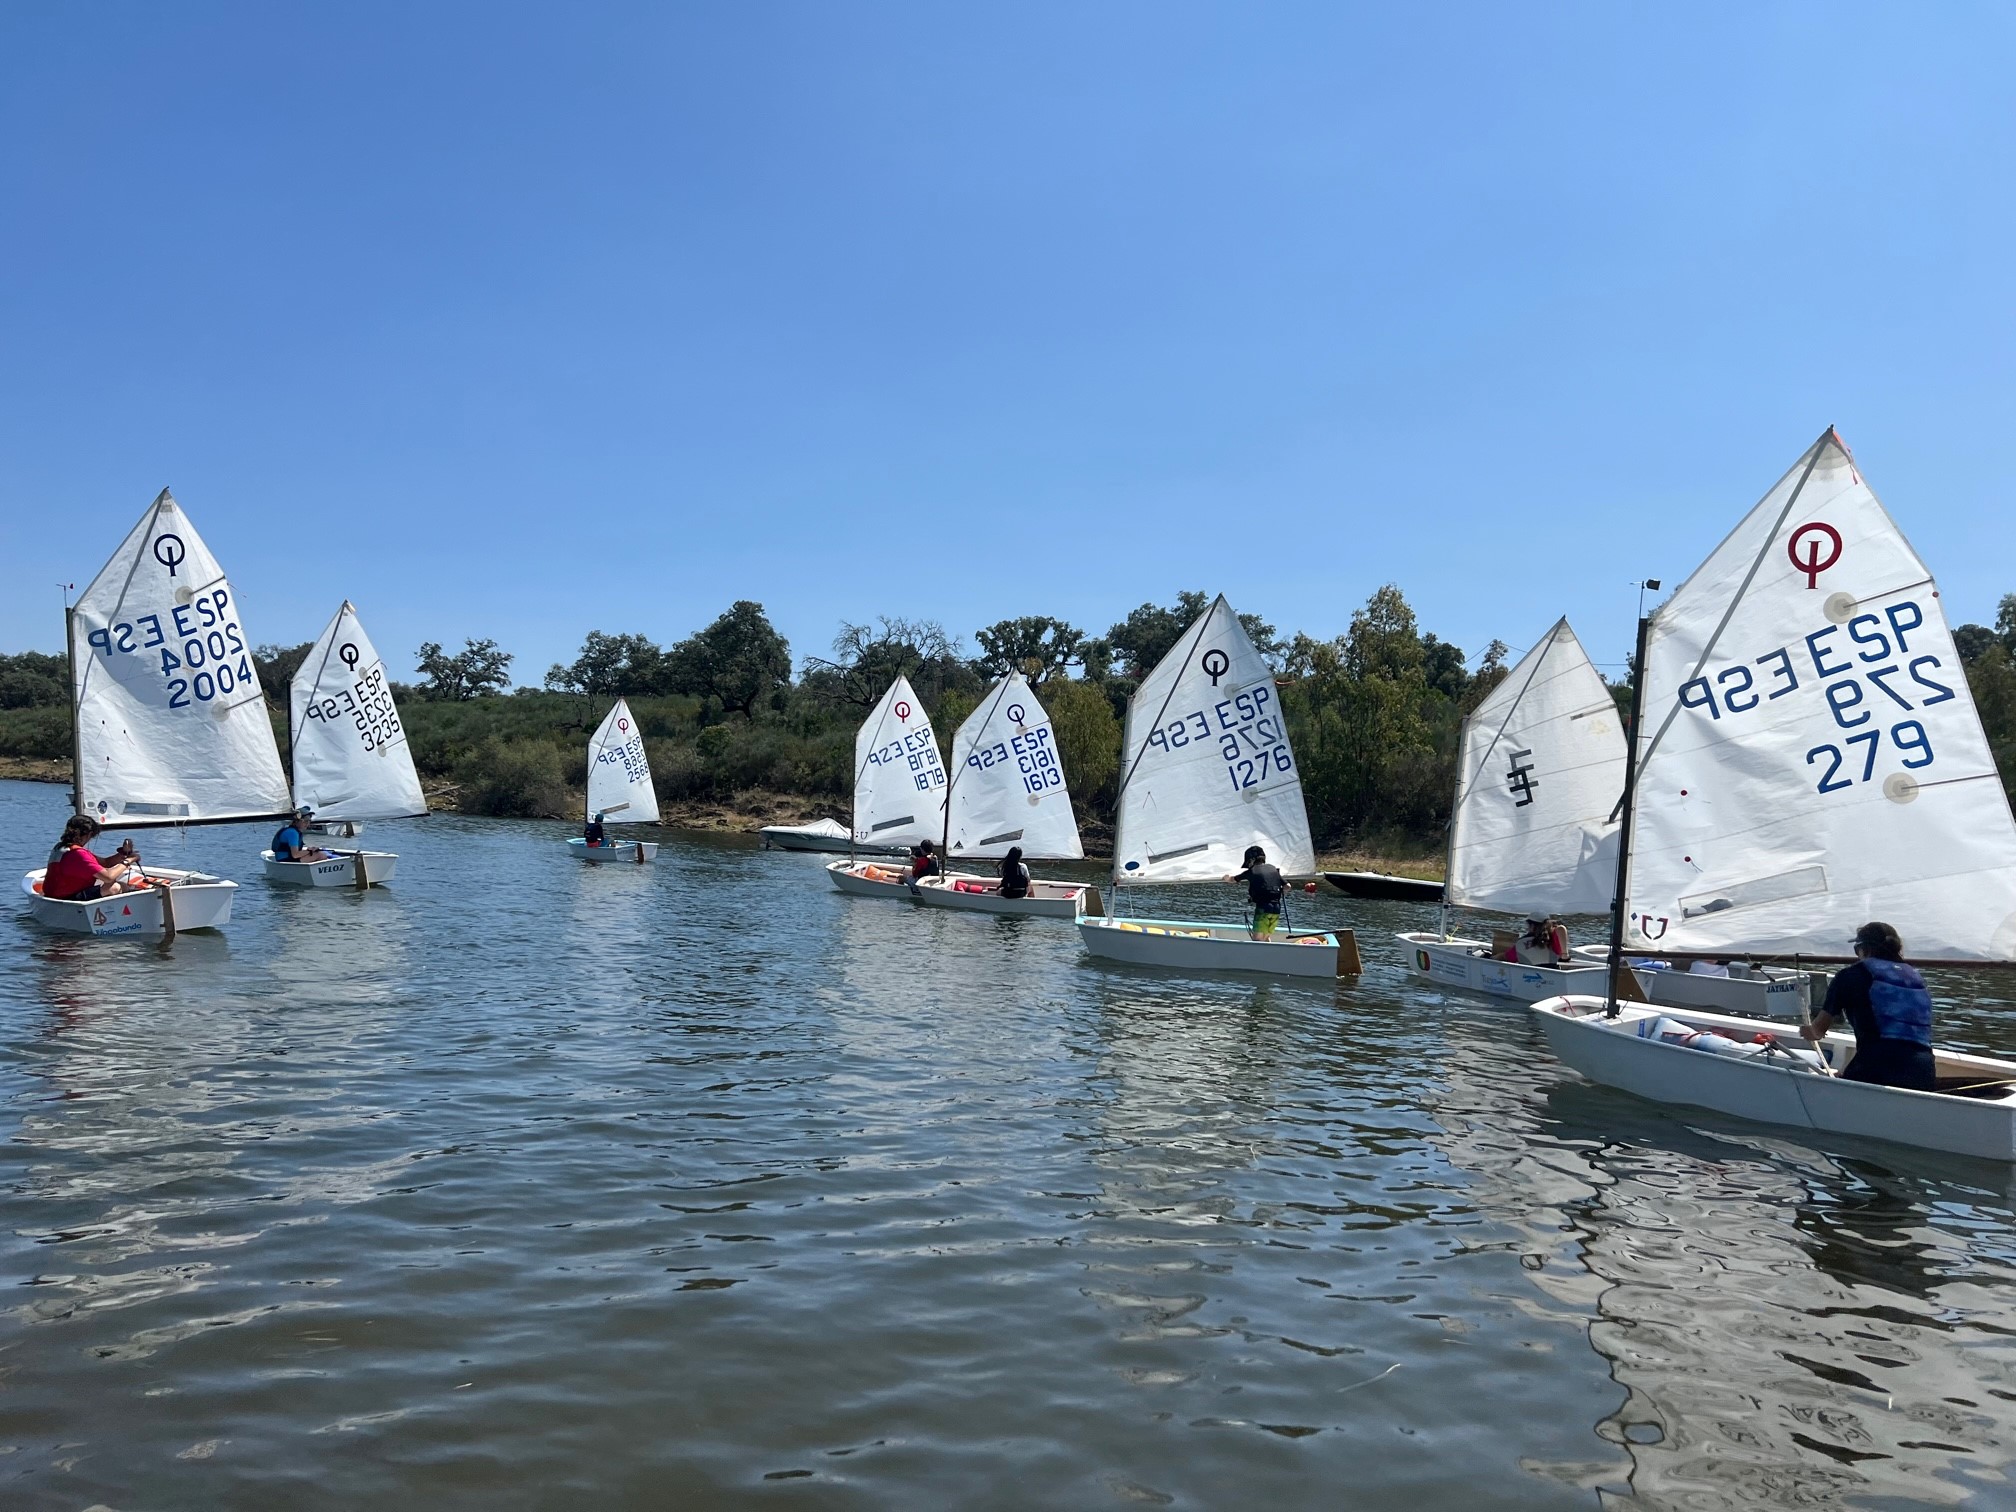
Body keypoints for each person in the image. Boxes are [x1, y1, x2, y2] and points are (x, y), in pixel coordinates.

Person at [1800, 921, 1935, 1091]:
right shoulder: (1916, 978)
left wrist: (1804, 1030)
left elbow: (1817, 1032)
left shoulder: (1849, 976)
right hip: (1923, 1073)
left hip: (1874, 1070)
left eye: (1857, 949)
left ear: (1864, 949)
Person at [43, 815, 145, 900]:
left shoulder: (61, 847)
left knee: (116, 884)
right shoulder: (77, 854)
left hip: (52, 897)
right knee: (115, 887)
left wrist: (124, 853)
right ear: (89, 834)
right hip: (68, 898)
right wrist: (130, 860)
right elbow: (108, 877)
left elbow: (105, 863)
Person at [1226, 845, 1286, 937]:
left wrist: (1225, 877)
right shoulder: (1273, 869)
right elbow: (1288, 886)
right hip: (1276, 909)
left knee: (1257, 938)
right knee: (1265, 937)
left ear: (1251, 860)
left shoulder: (1252, 872)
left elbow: (1233, 879)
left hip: (1263, 909)